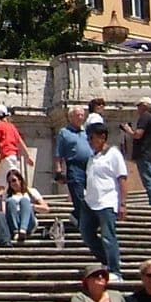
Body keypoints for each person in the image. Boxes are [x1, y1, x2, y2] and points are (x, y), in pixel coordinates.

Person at [82, 118, 128, 272]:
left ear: (102, 137)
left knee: (108, 236)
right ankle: (106, 260)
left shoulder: (114, 154)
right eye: (88, 138)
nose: (89, 141)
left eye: (92, 138)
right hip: (90, 202)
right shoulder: (92, 158)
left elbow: (122, 179)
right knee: (86, 233)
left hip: (107, 202)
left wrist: (122, 203)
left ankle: (115, 270)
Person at [53, 105, 93, 249]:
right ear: (71, 117)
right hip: (74, 166)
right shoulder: (64, 132)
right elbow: (58, 152)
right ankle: (83, 224)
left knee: (92, 196)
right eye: (78, 115)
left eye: (82, 115)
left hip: (90, 166)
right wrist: (58, 170)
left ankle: (76, 216)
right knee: (78, 196)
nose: (81, 117)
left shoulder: (87, 131)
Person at [120, 98, 151, 206]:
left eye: (139, 106)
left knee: (149, 182)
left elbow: (137, 134)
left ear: (145, 106)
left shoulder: (145, 117)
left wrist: (128, 130)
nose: (137, 108)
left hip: (144, 154)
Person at [1, 169, 47, 241]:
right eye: (9, 182)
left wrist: (31, 206)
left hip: (29, 222)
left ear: (20, 180)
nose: (12, 184)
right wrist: (2, 200)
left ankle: (23, 230)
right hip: (13, 221)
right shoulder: (7, 195)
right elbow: (3, 212)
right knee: (10, 201)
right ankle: (16, 231)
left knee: (24, 200)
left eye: (14, 180)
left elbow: (46, 209)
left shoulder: (31, 191)